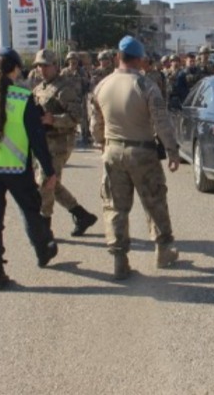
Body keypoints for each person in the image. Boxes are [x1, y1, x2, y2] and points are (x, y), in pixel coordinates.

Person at [90, 36, 180, 280]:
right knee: (154, 200)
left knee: (115, 206)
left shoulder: (101, 86)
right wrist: (172, 151)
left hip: (113, 151)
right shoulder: (146, 85)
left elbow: (95, 125)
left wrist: (102, 144)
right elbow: (162, 123)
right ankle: (163, 251)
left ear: (118, 57)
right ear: (139, 60)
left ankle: (120, 260)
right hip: (142, 152)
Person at [0, 47, 59, 290]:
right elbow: (37, 137)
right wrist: (49, 169)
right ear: (16, 69)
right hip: (15, 166)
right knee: (31, 211)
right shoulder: (23, 98)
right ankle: (43, 252)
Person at [31, 49, 98, 236]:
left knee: (46, 183)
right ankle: (81, 214)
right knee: (51, 182)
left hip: (60, 141)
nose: (42, 70)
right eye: (39, 66)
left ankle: (44, 229)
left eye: (46, 65)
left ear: (55, 66)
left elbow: (76, 117)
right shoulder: (39, 89)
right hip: (43, 142)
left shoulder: (64, 88)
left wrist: (53, 120)